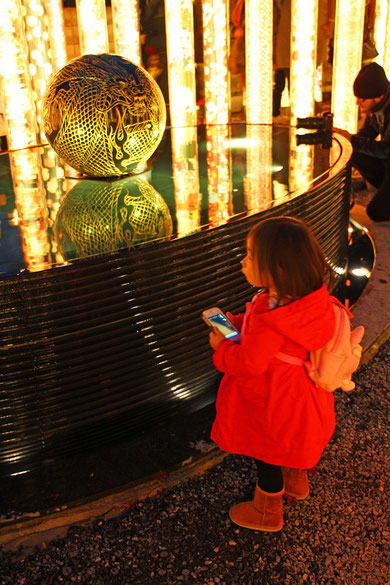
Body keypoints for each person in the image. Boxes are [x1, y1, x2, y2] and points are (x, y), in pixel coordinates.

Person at [208, 216, 337, 532]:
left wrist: (221, 344)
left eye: (251, 255)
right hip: (301, 394)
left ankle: (267, 511)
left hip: (273, 400)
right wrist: (236, 323)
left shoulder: (272, 317)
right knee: (291, 441)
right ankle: (297, 482)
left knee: (267, 452)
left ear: (278, 268)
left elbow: (248, 363)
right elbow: (265, 333)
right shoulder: (303, 299)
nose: (243, 261)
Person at [347, 62, 390, 221]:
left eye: (362, 99)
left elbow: (385, 149)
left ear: (379, 96)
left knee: (376, 212)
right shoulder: (378, 108)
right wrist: (346, 140)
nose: (358, 103)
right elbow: (367, 135)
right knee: (354, 151)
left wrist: (352, 139)